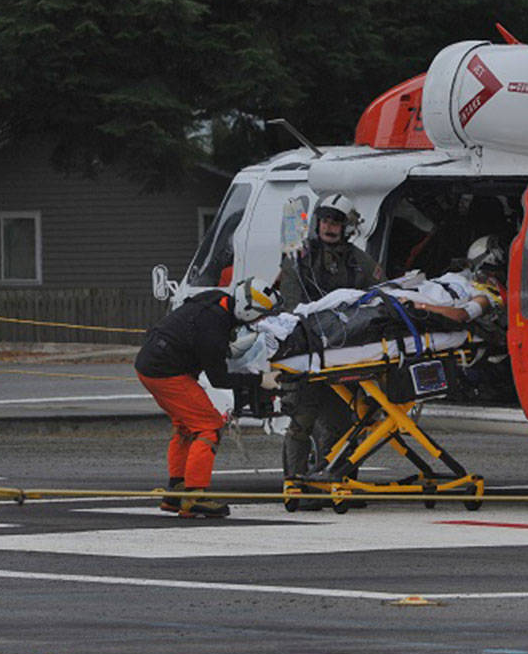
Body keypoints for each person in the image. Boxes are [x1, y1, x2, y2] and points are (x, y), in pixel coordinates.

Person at [135, 277, 281, 518]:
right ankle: (194, 496)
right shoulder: (213, 329)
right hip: (166, 371)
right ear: (247, 310)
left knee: (185, 426)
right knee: (209, 427)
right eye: (261, 316)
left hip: (151, 362)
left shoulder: (217, 299)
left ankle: (176, 490)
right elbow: (219, 379)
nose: (261, 321)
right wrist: (259, 379)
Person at [278, 193, 380, 490]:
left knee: (340, 426)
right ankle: (296, 484)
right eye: (325, 220)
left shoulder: (360, 263)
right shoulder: (298, 260)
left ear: (347, 227)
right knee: (301, 423)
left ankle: (338, 482)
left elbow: (377, 297)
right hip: (307, 352)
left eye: (336, 221)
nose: (329, 227)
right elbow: (290, 306)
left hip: (344, 355)